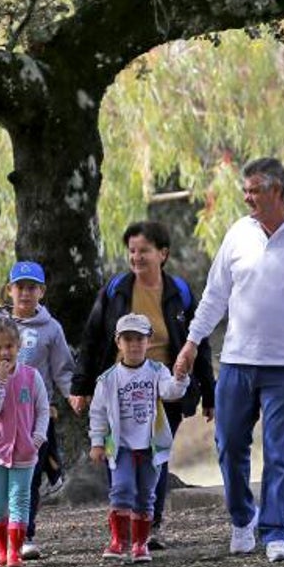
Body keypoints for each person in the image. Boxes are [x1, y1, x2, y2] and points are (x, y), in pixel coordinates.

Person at [174, 157, 284, 563]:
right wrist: (192, 341)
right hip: (237, 362)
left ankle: (276, 532)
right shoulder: (238, 234)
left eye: (254, 190)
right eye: (245, 190)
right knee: (229, 443)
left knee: (280, 452)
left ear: (278, 191)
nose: (247, 197)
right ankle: (242, 519)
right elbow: (214, 295)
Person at [70, 220, 214, 549]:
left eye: (144, 251)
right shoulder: (116, 290)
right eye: (132, 251)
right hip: (119, 385)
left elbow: (199, 343)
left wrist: (209, 391)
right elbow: (93, 339)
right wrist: (82, 385)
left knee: (156, 455)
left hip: (165, 388)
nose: (136, 257)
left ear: (162, 254)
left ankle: (150, 526)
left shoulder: (180, 292)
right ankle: (122, 522)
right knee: (118, 453)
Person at [0, 261, 74, 560]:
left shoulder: (51, 329)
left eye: (31, 287)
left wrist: (73, 395)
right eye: (19, 287)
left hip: (33, 416)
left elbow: (62, 370)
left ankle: (25, 534)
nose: (25, 293)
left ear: (41, 292)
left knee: (29, 478)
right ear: (9, 290)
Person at [88, 313, 192, 563]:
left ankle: (139, 543)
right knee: (121, 489)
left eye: (139, 339)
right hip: (121, 445)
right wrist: (97, 442)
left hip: (150, 446)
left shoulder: (157, 371)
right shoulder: (108, 379)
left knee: (146, 494)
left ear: (148, 341)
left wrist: (180, 377)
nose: (134, 345)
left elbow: (170, 392)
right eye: (128, 339)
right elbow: (98, 413)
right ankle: (119, 540)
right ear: (118, 342)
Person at [0, 316, 50, 567]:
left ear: (18, 346)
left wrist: (38, 438)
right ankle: (1, 545)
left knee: (20, 499)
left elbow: (42, 409)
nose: (4, 352)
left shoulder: (32, 376)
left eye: (9, 346)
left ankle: (15, 553)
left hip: (25, 451)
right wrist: (0, 380)